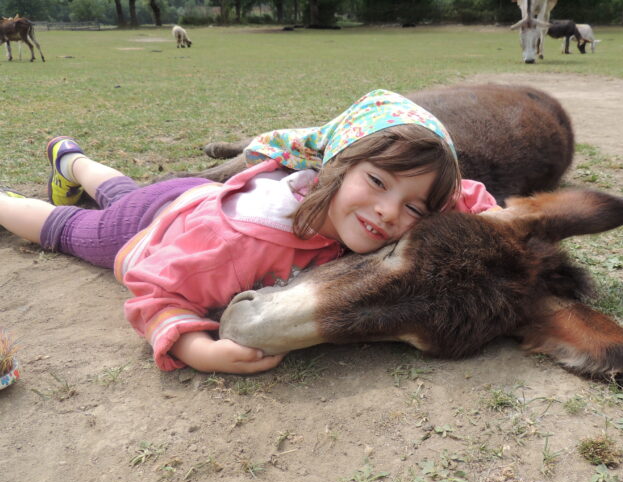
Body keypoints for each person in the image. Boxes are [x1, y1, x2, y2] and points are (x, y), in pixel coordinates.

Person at [0, 89, 498, 375]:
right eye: (377, 182)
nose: (389, 212)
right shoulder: (244, 243)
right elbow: (156, 292)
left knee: (122, 189)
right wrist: (198, 351)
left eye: (413, 206)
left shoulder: (378, 204)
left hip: (198, 195)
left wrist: (495, 218)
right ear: (336, 167)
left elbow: (463, 195)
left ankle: (71, 159)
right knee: (65, 228)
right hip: (151, 225)